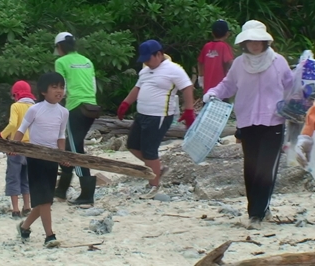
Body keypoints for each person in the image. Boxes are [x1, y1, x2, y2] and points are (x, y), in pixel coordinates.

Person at [203, 20, 294, 229]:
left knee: (266, 168)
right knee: (251, 168)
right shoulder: (239, 64)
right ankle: (259, 207)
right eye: (251, 41)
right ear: (244, 43)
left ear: (265, 42)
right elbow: (228, 85)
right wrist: (213, 93)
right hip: (247, 121)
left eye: (259, 41)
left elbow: (290, 87)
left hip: (273, 121)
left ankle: (256, 215)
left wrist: (301, 101)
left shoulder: (278, 61)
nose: (255, 44)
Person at [117, 39, 195, 199]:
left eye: (149, 58)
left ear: (159, 54)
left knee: (149, 150)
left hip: (159, 115)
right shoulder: (145, 71)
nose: (146, 62)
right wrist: (125, 103)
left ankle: (154, 184)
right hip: (142, 114)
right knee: (132, 145)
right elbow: (137, 88)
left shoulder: (173, 69)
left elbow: (187, 87)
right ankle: (158, 169)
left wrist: (189, 110)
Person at [14, 72, 69, 248]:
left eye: (61, 87)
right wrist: (13, 147)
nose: (59, 91)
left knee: (45, 199)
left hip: (52, 157)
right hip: (35, 157)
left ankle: (24, 226)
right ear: (44, 91)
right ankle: (49, 236)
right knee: (44, 199)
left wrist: (63, 156)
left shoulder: (64, 112)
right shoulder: (35, 109)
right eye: (54, 87)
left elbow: (61, 136)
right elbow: (22, 129)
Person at [53, 32, 100, 206]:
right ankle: (61, 190)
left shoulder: (61, 62)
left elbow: (61, 88)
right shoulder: (87, 61)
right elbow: (93, 87)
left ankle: (87, 194)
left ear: (59, 47)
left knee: (74, 150)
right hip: (91, 107)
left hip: (75, 107)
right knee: (71, 146)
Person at [0, 81, 36, 219]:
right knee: (26, 178)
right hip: (32, 147)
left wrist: (2, 135)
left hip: (16, 146)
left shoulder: (15, 106)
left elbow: (13, 124)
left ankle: (15, 209)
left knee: (13, 177)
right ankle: (27, 206)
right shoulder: (34, 106)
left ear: (16, 94)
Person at [198, 19, 234, 98]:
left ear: (212, 33)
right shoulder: (224, 46)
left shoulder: (206, 46)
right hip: (221, 89)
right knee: (220, 109)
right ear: (227, 34)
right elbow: (230, 62)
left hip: (207, 88)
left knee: (207, 107)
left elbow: (200, 62)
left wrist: (201, 76)